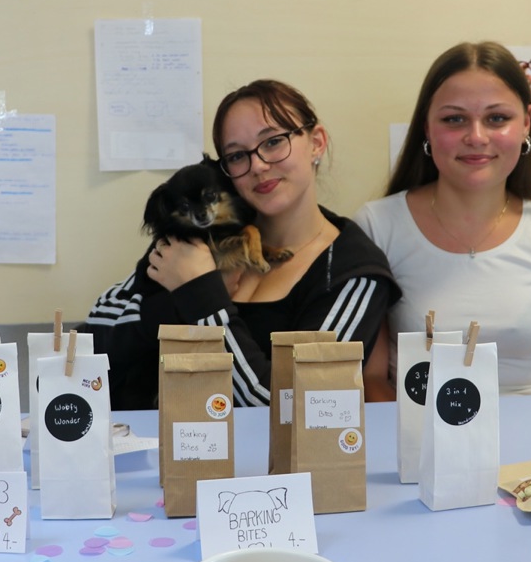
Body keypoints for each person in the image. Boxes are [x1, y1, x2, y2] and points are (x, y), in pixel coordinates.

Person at [80, 79, 400, 410]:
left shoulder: (352, 271)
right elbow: (93, 337)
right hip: (156, 449)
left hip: (273, 462)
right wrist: (174, 304)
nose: (258, 165)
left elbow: (291, 407)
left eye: (274, 142)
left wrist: (201, 296)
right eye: (236, 156)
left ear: (316, 142)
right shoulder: (204, 235)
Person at [355, 42, 531, 398]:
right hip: (423, 446)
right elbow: (370, 382)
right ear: (427, 130)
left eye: (496, 118)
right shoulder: (376, 227)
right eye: (454, 119)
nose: (476, 137)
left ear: (526, 123)